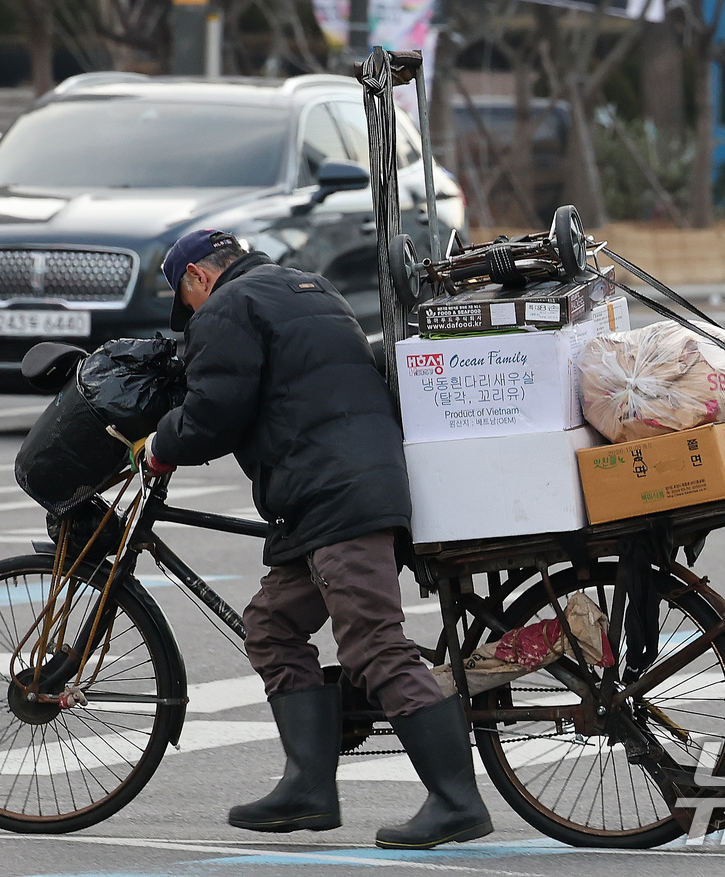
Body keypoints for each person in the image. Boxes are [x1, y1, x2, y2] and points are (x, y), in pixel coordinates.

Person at [144, 228, 493, 850]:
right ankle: (308, 787)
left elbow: (215, 410)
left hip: (336, 493)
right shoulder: (311, 288)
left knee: (373, 644)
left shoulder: (228, 306)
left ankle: (457, 801)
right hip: (337, 488)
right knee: (272, 626)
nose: (190, 315)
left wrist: (159, 445)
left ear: (198, 277)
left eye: (185, 301)